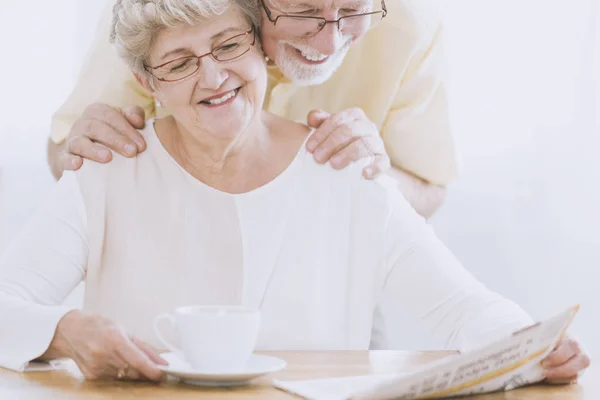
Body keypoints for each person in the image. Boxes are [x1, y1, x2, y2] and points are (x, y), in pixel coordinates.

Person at [1, 0, 588, 383]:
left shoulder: (344, 170)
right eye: (179, 63)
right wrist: (62, 332)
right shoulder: (109, 170)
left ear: (259, 47)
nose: (212, 76)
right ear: (146, 81)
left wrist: (530, 346)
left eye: (229, 47)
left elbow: (467, 308)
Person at [47, 0, 457, 218]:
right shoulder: (161, 14)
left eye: (351, 10)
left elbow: (429, 190)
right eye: (304, 10)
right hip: (173, 256)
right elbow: (63, 153)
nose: (330, 44)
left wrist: (374, 174)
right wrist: (81, 152)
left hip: (329, 272)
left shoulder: (409, 24)